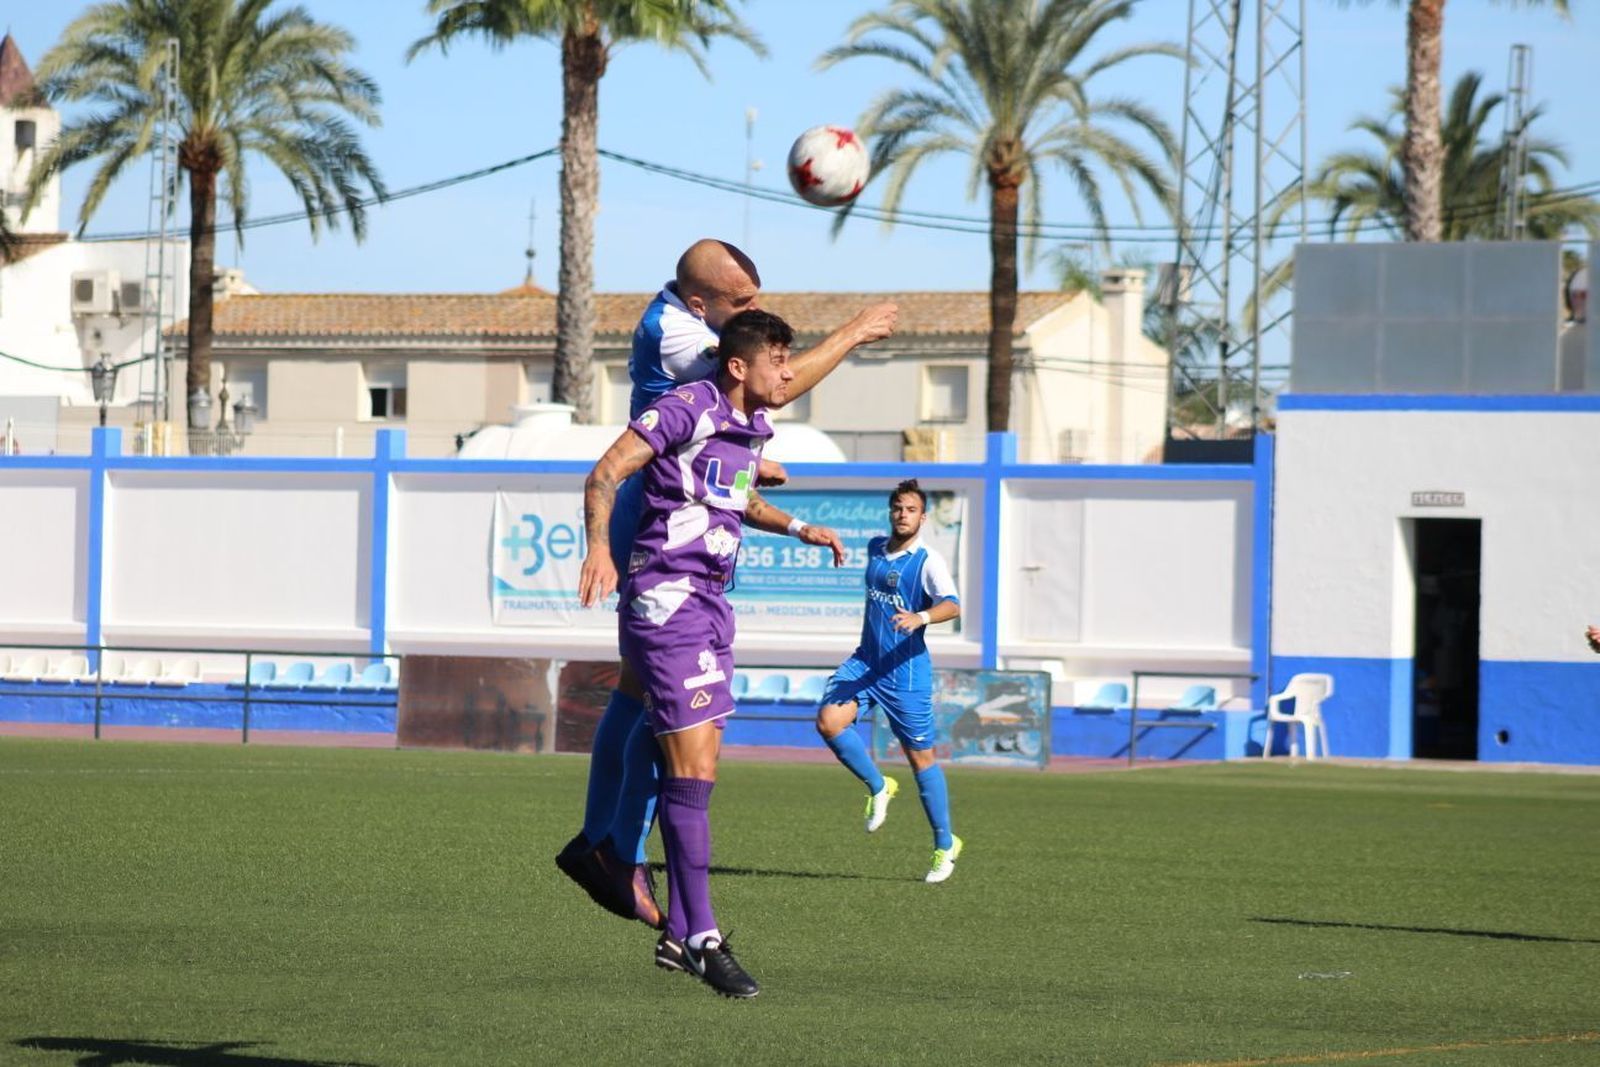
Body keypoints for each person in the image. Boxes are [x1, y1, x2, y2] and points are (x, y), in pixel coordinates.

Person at [556, 240, 898, 929]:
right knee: (669, 710)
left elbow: (735, 412)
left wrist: (746, 464)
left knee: (639, 691)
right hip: (658, 528)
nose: (753, 312)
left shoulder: (694, 326)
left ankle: (606, 843)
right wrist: (856, 332)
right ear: (701, 303)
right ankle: (617, 851)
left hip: (685, 518)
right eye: (740, 303)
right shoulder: (676, 332)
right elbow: (779, 381)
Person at [577, 309, 844, 998]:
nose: (788, 372)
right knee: (692, 768)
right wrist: (600, 546)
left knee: (696, 767)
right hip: (666, 601)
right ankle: (700, 936)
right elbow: (607, 470)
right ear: (738, 364)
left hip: (710, 604)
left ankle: (668, 917)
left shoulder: (750, 425)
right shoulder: (687, 406)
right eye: (779, 359)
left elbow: (734, 495)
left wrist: (798, 526)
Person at [814, 479, 964, 883]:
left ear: (923, 517)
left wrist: (922, 617)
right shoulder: (875, 548)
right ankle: (879, 786)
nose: (903, 515)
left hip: (906, 672)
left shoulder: (927, 560)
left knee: (921, 761)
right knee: (828, 721)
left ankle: (945, 844)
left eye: (911, 509)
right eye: (898, 508)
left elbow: (952, 604)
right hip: (866, 662)